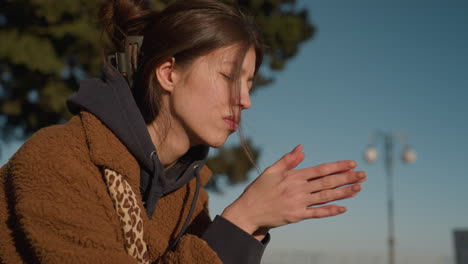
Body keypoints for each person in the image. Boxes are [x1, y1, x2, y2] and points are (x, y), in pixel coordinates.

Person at [0, 0, 367, 263]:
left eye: (250, 83)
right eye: (229, 77)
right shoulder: (59, 159)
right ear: (168, 73)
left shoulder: (187, 193)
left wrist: (253, 226)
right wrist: (242, 220)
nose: (246, 100)